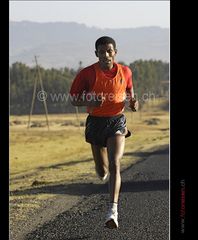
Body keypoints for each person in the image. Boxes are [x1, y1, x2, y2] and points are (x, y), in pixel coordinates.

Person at [69, 36, 138, 229]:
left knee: (115, 163)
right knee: (102, 171)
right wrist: (89, 101)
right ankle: (103, 172)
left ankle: (112, 211)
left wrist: (134, 104)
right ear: (96, 53)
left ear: (115, 52)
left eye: (109, 51)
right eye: (102, 52)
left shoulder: (125, 71)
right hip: (95, 123)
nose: (106, 55)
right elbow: (73, 99)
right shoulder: (87, 74)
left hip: (117, 120)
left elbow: (131, 95)